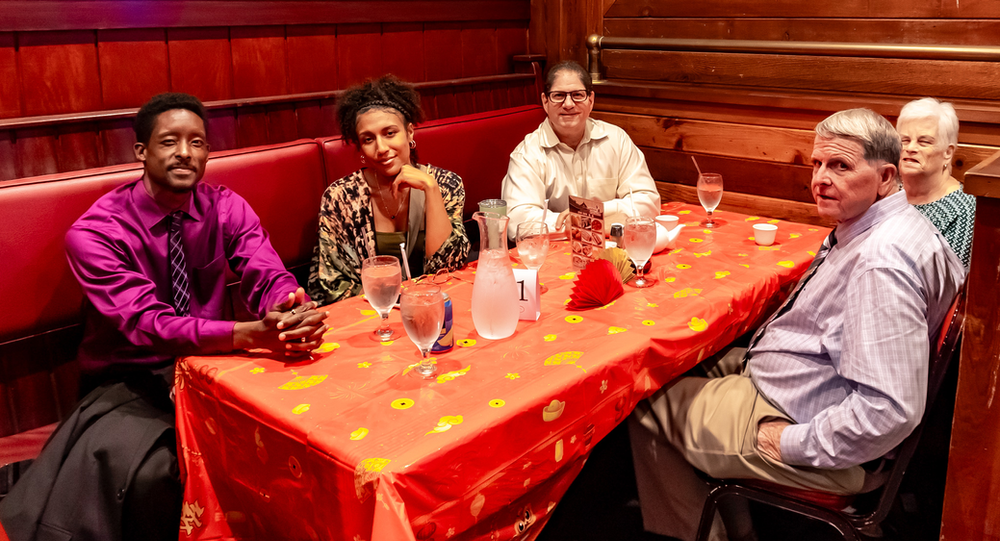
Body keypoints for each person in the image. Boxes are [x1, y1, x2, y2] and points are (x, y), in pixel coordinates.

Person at [0, 93, 327, 541]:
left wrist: (289, 307)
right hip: (132, 377)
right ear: (142, 152)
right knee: (161, 471)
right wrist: (247, 335)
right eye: (169, 141)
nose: (184, 153)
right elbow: (147, 324)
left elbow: (264, 269)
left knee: (301, 428)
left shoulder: (224, 206)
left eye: (197, 142)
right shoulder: (96, 233)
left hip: (215, 363)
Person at [628, 109, 965, 541]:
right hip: (803, 381)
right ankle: (736, 526)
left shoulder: (881, 263)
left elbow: (889, 411)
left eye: (840, 165)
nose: (821, 178)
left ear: (884, 177)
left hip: (810, 424)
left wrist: (788, 442)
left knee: (638, 400)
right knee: (669, 365)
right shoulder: (907, 223)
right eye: (817, 164)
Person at [307, 75, 470, 305]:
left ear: (410, 133)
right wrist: (395, 305)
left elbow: (446, 269)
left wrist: (430, 190)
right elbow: (332, 284)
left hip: (433, 307)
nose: (381, 148)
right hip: (372, 315)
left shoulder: (445, 184)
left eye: (390, 133)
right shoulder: (341, 197)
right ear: (360, 146)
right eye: (368, 139)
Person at [501, 60, 660, 240]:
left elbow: (649, 203)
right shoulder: (527, 154)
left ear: (590, 100)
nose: (568, 104)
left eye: (577, 95)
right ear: (545, 101)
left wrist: (588, 215)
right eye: (558, 95)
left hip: (610, 250)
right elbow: (517, 222)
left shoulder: (617, 140)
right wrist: (570, 225)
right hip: (554, 257)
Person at [897, 97, 976, 268]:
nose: (910, 148)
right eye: (904, 140)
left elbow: (948, 283)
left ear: (948, 152)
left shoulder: (964, 209)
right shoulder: (888, 192)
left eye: (924, 141)